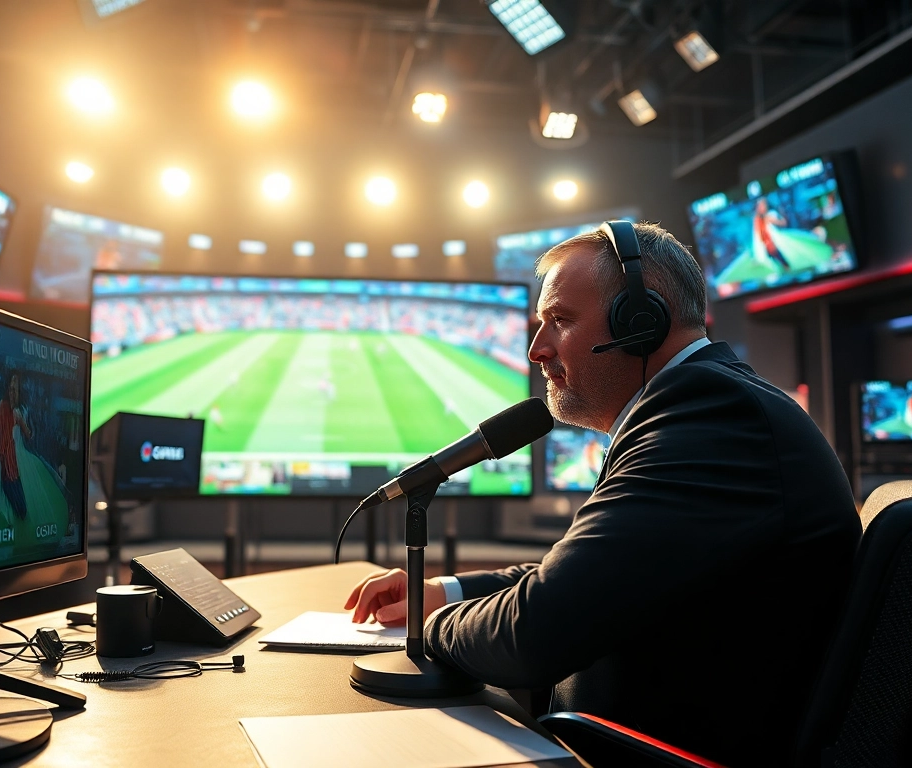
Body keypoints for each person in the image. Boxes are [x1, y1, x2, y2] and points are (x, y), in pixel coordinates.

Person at [345, 222, 860, 766]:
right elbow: (580, 576)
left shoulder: (709, 417)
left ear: (640, 322)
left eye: (559, 321)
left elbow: (535, 632)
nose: (535, 350)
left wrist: (427, 626)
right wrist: (442, 591)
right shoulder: (700, 408)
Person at [0, 373, 33, 519]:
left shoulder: (17, 413)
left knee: (22, 510)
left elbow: (28, 433)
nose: (12, 393)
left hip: (11, 463)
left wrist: (29, 430)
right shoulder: (2, 407)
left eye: (15, 390)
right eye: (10, 389)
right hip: (3, 460)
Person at [753, 197, 792, 273]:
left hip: (773, 248)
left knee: (785, 266)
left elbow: (783, 223)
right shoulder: (757, 219)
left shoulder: (768, 217)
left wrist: (781, 213)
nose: (762, 207)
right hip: (766, 249)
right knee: (776, 268)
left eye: (763, 205)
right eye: (760, 205)